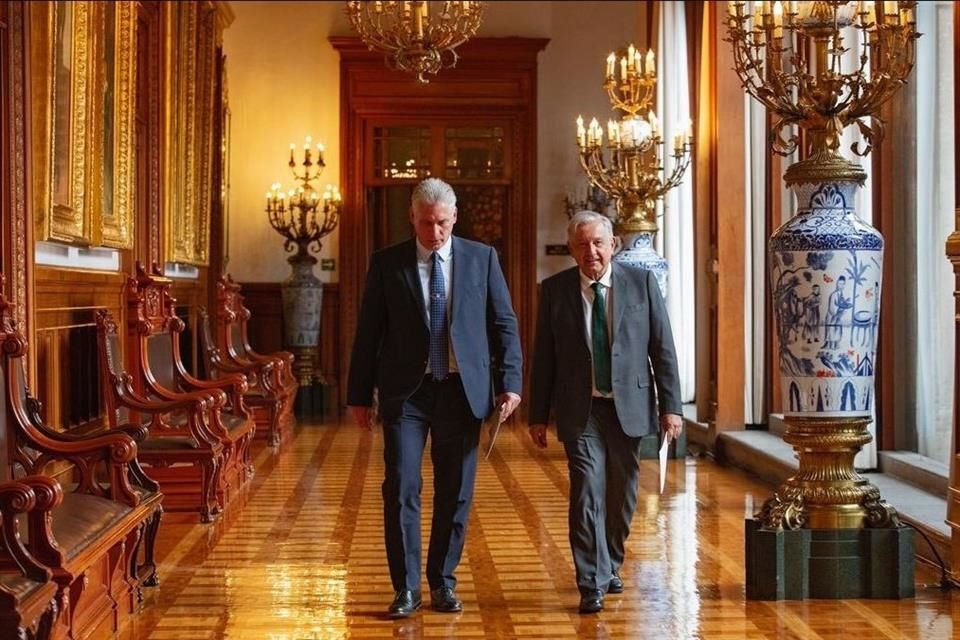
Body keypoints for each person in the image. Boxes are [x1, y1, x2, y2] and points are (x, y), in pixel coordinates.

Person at [347, 177, 523, 618]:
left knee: (456, 491)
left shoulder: (482, 259)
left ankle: (442, 581)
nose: (435, 233)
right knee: (402, 486)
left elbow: (503, 323)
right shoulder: (388, 264)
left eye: (442, 223)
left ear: (455, 218)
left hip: (463, 391)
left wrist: (511, 382)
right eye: (426, 224)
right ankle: (405, 589)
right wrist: (357, 396)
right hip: (407, 392)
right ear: (413, 218)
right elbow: (369, 334)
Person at [528, 210, 682, 614]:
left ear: (613, 245)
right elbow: (544, 357)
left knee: (622, 495)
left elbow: (662, 349)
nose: (590, 251)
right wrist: (537, 415)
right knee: (585, 492)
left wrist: (672, 408)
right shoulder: (555, 291)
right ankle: (590, 580)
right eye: (581, 244)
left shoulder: (641, 283)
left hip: (628, 408)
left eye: (597, 242)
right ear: (571, 249)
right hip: (581, 411)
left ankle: (611, 560)